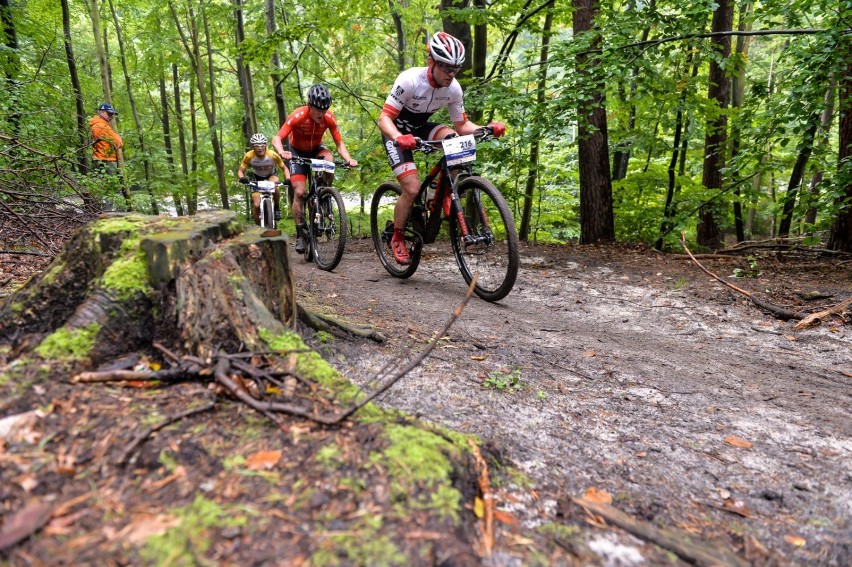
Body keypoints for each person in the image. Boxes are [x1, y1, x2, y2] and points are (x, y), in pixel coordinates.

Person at [377, 32, 506, 264]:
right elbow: (384, 119)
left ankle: (437, 192)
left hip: (422, 127)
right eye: (446, 68)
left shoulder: (454, 88)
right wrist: (398, 136)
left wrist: (485, 129)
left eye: (455, 69)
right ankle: (397, 237)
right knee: (412, 188)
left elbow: (462, 124)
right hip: (395, 133)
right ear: (431, 63)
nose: (451, 74)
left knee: (455, 140)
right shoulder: (409, 80)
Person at [271, 84, 358, 254]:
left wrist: (348, 159)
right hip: (297, 152)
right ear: (310, 105)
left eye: (324, 109)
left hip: (317, 149)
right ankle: (301, 234)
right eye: (318, 109)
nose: (321, 113)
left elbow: (339, 143)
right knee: (300, 193)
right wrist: (282, 152)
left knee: (330, 160)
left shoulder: (329, 118)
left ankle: (324, 194)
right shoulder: (298, 115)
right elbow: (277, 138)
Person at [237, 133, 290, 225]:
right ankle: (259, 228)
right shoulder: (249, 156)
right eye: (257, 146)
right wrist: (242, 178)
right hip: (257, 179)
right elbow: (240, 171)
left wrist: (288, 179)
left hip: (271, 175)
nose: (260, 148)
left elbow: (285, 168)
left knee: (273, 185)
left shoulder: (273, 155)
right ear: (253, 147)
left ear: (266, 145)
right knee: (257, 205)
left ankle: (276, 207)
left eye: (262, 145)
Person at [89, 102, 123, 175]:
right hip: (107, 160)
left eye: (112, 114)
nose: (111, 117)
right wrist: (119, 138)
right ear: (101, 112)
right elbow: (118, 142)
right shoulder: (101, 125)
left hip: (100, 158)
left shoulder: (97, 124)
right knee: (111, 185)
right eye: (109, 114)